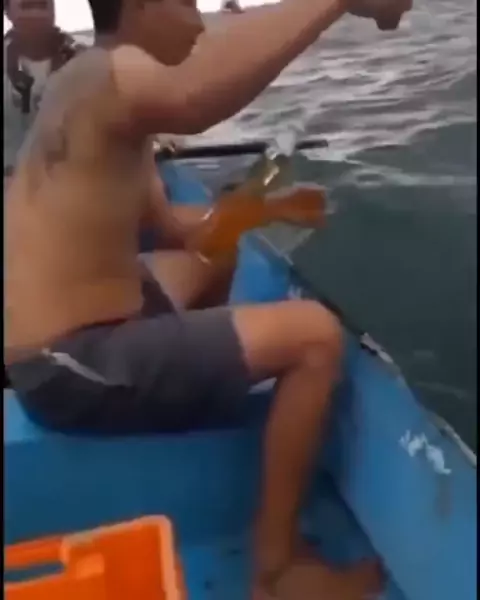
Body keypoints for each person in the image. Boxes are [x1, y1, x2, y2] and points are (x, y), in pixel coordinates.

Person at [5, 0, 412, 598]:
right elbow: (195, 96)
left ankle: (197, 380)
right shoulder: (103, 72)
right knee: (315, 336)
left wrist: (258, 210)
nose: (200, 23)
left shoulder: (104, 97)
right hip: (70, 362)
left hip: (90, 330)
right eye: (186, 4)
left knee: (213, 260)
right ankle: (275, 570)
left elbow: (180, 231)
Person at [3, 0, 85, 182]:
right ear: (7, 11)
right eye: (27, 7)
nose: (35, 15)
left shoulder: (85, 60)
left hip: (70, 184)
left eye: (41, 5)